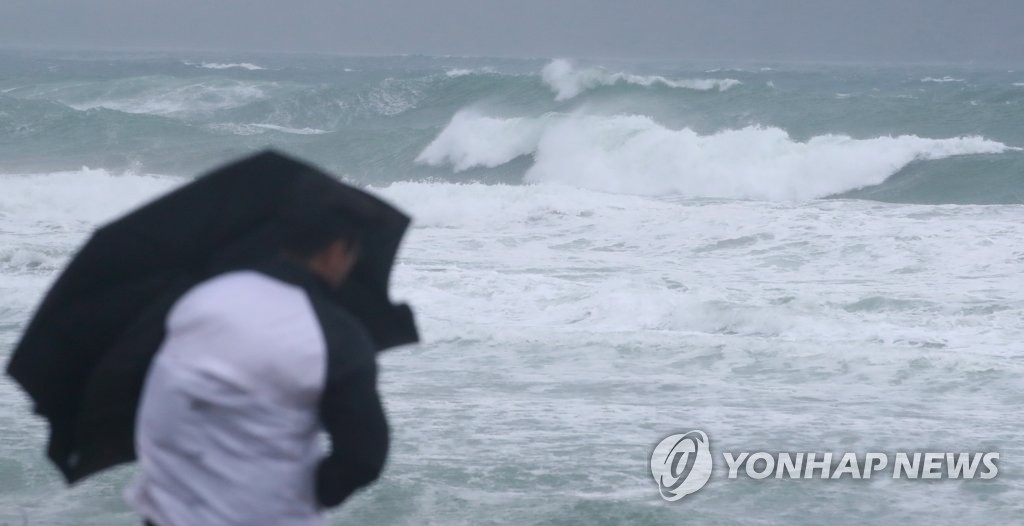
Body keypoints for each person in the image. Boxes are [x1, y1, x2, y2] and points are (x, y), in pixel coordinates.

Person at [125, 205, 389, 526]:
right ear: (335, 250)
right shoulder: (333, 334)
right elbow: (364, 456)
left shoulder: (203, 297)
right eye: (353, 252)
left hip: (167, 513)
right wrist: (315, 491)